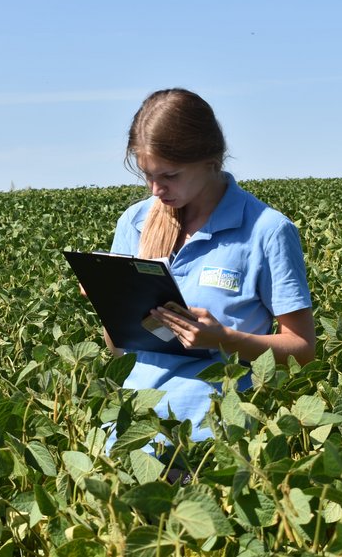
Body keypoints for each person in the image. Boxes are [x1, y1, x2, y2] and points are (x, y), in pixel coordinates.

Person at [106, 88, 315, 448]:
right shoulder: (135, 222)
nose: (156, 189)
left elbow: (303, 350)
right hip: (133, 434)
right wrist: (108, 299)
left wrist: (224, 341)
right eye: (147, 175)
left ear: (210, 161)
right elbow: (120, 350)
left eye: (169, 175)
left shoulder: (266, 230)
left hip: (217, 439)